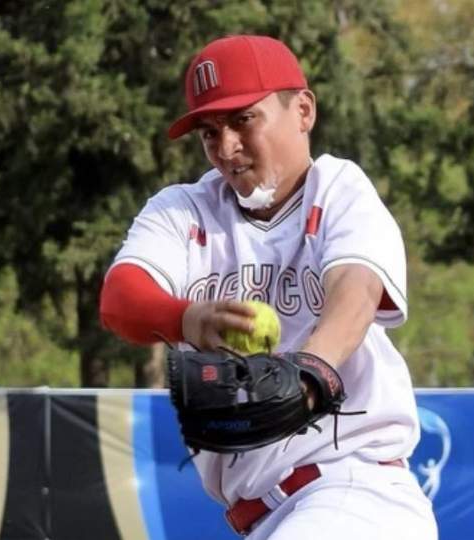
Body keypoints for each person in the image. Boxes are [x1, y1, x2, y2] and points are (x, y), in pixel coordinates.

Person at [100, 34, 437, 540]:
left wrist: (310, 372)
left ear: (302, 111)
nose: (226, 146)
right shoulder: (184, 210)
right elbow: (120, 298)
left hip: (357, 493)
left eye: (242, 120)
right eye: (209, 131)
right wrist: (188, 318)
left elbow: (357, 288)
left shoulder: (337, 188)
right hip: (268, 516)